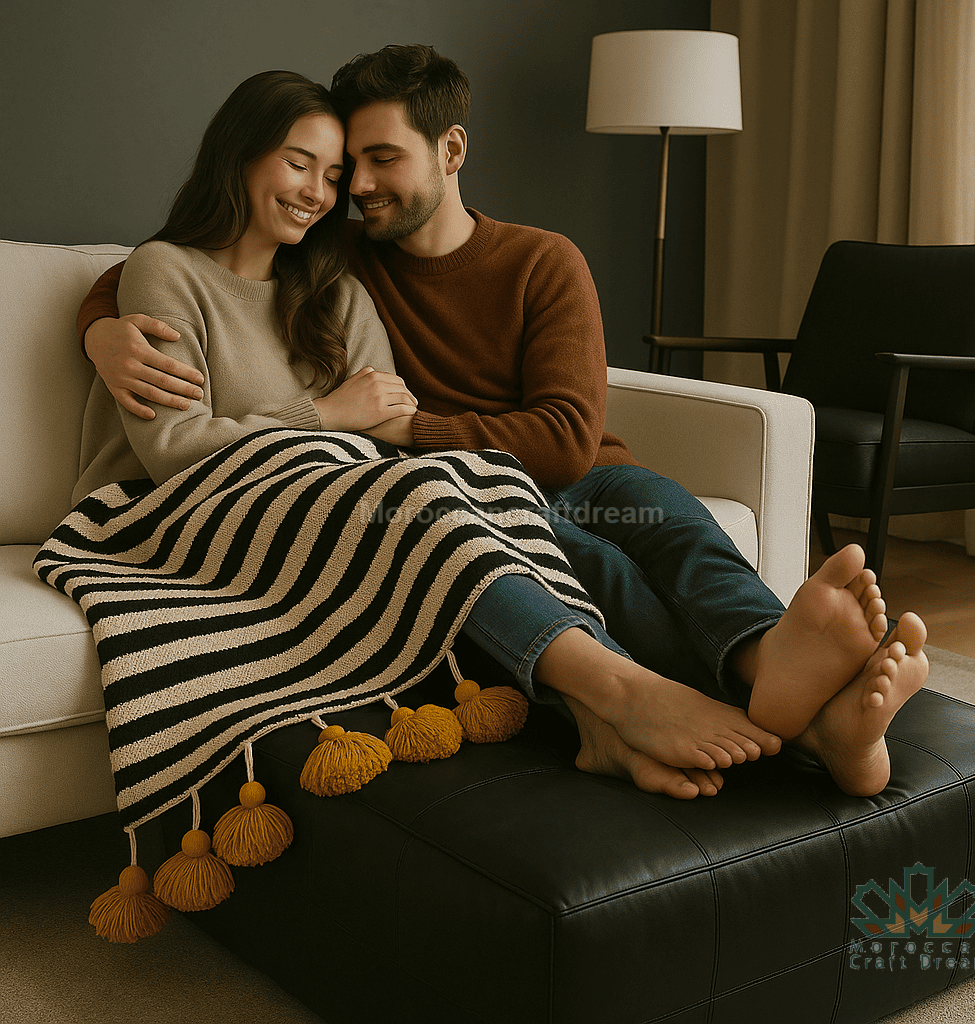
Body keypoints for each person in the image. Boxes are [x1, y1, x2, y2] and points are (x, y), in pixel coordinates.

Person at [75, 47, 929, 800]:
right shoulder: (345, 257)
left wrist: (414, 434)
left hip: (563, 468)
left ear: (451, 150)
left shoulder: (530, 261)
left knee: (671, 518)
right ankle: (788, 717)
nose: (350, 189)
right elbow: (176, 271)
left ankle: (765, 659)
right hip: (450, 483)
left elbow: (563, 440)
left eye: (370, 163)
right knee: (583, 556)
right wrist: (99, 325)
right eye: (335, 168)